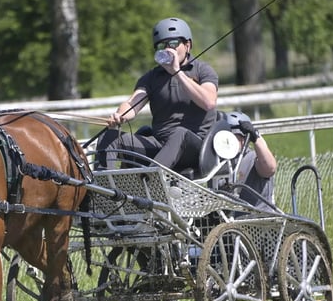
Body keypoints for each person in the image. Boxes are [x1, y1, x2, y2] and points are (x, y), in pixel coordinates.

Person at [95, 17, 219, 171]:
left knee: (180, 134)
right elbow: (133, 103)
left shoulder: (203, 70)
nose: (168, 49)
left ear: (188, 45)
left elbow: (208, 102)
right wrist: (120, 115)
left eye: (173, 44)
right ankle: (104, 188)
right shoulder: (152, 77)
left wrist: (176, 72)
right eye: (162, 45)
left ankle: (152, 181)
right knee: (109, 137)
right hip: (161, 146)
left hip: (197, 149)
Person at [225, 111, 277, 212]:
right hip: (227, 221)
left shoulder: (254, 157)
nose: (228, 141)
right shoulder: (216, 161)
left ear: (244, 138)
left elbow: (270, 168)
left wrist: (256, 137)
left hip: (258, 217)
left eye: (233, 137)